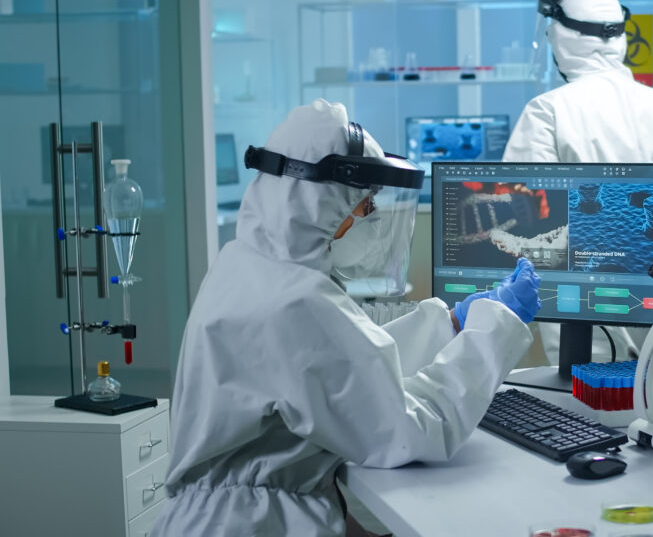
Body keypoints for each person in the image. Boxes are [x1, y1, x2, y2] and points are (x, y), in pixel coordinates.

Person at [150, 99, 541, 536]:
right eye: (365, 205)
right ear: (319, 202)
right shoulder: (293, 303)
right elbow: (410, 431)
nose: (370, 218)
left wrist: (445, 326)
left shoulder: (250, 266)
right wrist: (496, 328)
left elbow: (342, 367)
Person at [503, 0, 653, 363]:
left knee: (586, 414)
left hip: (584, 318)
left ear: (561, 38)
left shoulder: (548, 112)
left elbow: (523, 220)